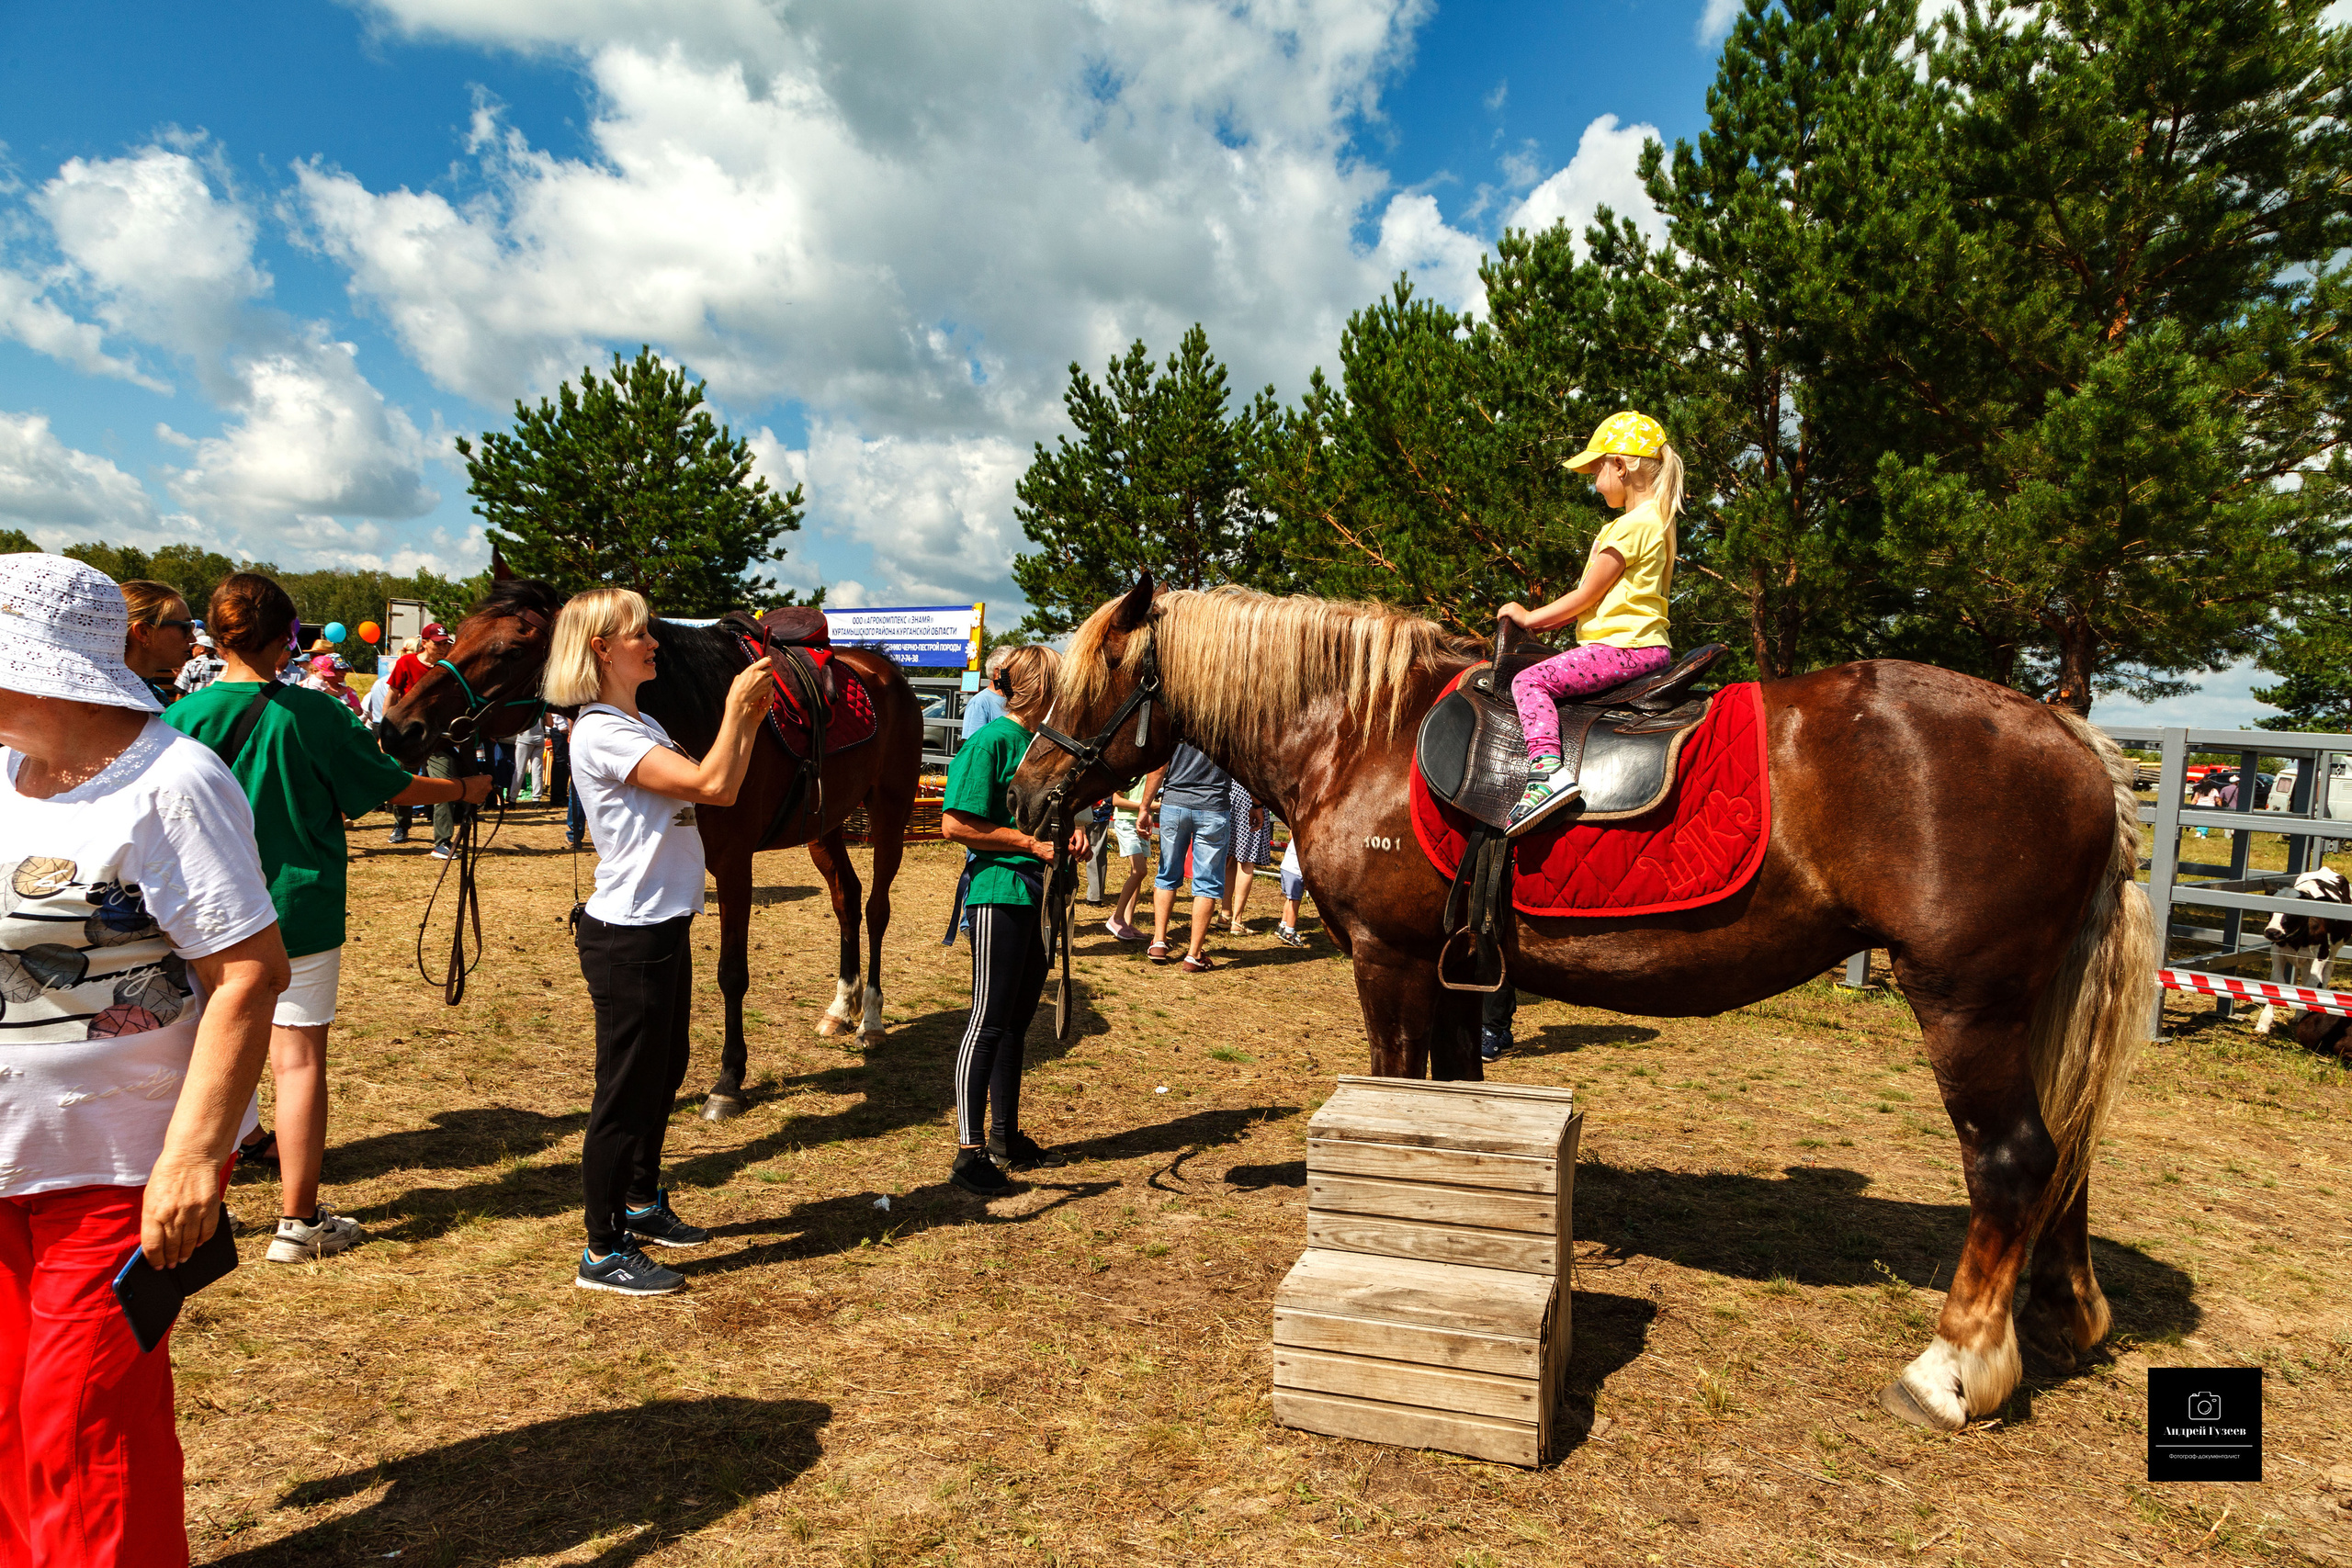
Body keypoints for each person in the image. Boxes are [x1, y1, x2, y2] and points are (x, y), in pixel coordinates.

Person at [0, 552, 289, 1567]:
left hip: (115, 1167)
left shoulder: (172, 781)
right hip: (6, 1165)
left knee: (83, 1435)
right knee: (7, 1431)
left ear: (36, 671)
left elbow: (249, 972)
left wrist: (192, 1158)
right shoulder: (3, 769)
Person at [165, 574, 491, 1265]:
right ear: (290, 639)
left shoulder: (179, 719)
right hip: (296, 907)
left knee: (200, 1056)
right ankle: (298, 1220)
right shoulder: (316, 716)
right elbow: (388, 785)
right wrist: (463, 789)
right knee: (298, 1058)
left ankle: (193, 1200)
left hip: (201, 912)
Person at [548, 587, 773, 1296]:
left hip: (663, 923)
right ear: (600, 650)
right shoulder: (605, 731)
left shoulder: (639, 719)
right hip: (629, 933)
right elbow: (709, 781)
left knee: (664, 1070)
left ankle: (641, 1201)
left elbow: (727, 791)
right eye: (638, 633)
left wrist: (751, 721)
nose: (653, 642)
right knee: (624, 1090)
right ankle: (601, 1247)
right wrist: (737, 709)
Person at [1499, 411, 1684, 836]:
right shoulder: (1657, 522)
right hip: (1643, 646)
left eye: (1597, 469)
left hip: (1623, 647)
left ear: (1620, 465)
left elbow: (1587, 595)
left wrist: (1529, 616)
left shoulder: (1630, 527)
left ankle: (1546, 772)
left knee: (1529, 682)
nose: (1594, 481)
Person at [939, 645, 1081, 1196]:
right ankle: (968, 1152)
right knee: (988, 1020)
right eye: (1058, 682)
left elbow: (1044, 814)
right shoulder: (992, 740)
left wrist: (1070, 834)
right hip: (1000, 890)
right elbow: (954, 825)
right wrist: (1028, 844)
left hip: (1036, 893)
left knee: (1017, 1020)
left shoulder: (1040, 744)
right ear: (1034, 687)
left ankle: (1004, 1135)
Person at [1139, 740, 1232, 972]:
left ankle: (1159, 942)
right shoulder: (1228, 722)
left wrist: (1145, 806)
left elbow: (1159, 767)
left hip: (1174, 805)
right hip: (1214, 807)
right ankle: (1193, 955)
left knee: (1167, 873)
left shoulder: (1179, 725)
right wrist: (1258, 804)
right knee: (1207, 883)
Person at [119, 579, 201, 709]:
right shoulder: (113, 703)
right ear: (144, 632)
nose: (193, 639)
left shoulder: (155, 695)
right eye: (186, 627)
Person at [1102, 776, 1150, 942]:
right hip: (1126, 822)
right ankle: (1117, 917)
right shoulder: (1133, 772)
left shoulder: (1151, 771)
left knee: (1138, 874)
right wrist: (1147, 806)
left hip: (1141, 821)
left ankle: (1127, 922)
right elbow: (1116, 800)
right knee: (1140, 870)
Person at [1223, 778, 1272, 935]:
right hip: (1250, 799)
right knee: (1246, 861)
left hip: (1230, 795)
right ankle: (1237, 921)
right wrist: (1258, 804)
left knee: (1229, 858)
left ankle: (1225, 914)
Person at [958, 646, 1014, 739]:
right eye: (1014, 669)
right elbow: (974, 747)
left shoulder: (1018, 701)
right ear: (997, 672)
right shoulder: (980, 703)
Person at [301, 650, 365, 718]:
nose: (344, 673)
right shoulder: (315, 684)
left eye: (345, 669)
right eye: (338, 669)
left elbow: (358, 712)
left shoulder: (348, 691)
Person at [1274, 836, 1311, 948]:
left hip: (1286, 867)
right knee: (1295, 901)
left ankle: (1283, 925)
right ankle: (1289, 932)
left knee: (1290, 899)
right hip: (1296, 871)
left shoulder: (1297, 832)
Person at [174, 631, 223, 697]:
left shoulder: (191, 665)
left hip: (194, 704)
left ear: (202, 649)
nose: (192, 649)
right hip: (218, 704)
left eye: (194, 647)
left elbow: (180, 691)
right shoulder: (225, 665)